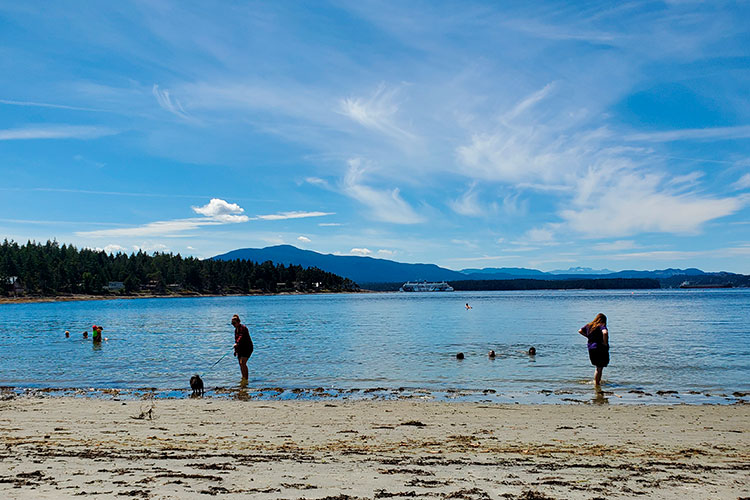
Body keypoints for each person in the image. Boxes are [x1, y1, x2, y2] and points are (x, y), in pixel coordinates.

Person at [578, 313, 609, 386]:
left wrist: (588, 337)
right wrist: (605, 343)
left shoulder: (589, 325)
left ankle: (597, 382)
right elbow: (605, 333)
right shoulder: (601, 325)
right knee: (599, 368)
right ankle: (597, 384)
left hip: (591, 348)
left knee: (597, 367)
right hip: (600, 348)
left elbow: (580, 330)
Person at [231, 314, 253, 384]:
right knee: (240, 364)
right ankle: (243, 378)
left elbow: (241, 336)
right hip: (240, 348)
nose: (233, 325)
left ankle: (246, 379)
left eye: (234, 323)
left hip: (247, 347)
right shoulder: (236, 330)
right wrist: (235, 351)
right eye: (232, 323)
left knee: (243, 363)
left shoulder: (243, 328)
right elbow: (236, 340)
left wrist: (237, 343)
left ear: (238, 322)